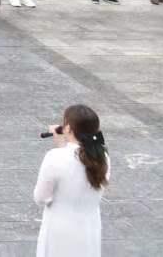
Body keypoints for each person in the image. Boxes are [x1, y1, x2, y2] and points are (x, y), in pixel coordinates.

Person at [33, 104, 108, 256]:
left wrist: (60, 146)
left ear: (67, 128)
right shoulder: (103, 157)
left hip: (60, 229)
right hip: (89, 227)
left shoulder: (54, 157)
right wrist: (62, 144)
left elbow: (41, 197)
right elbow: (77, 161)